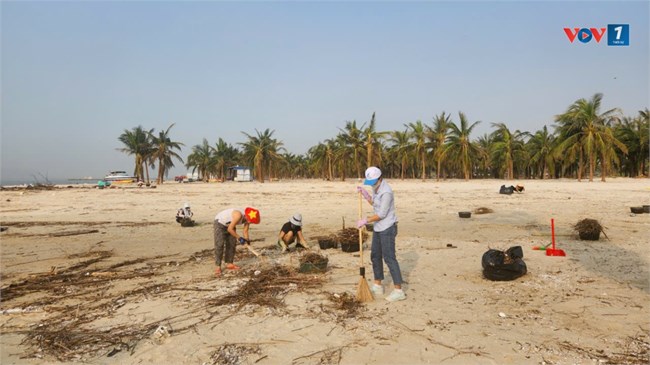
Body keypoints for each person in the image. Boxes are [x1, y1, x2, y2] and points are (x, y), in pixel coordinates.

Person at [356, 167, 406, 302]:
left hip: (388, 228)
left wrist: (366, 220)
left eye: (373, 181)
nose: (371, 184)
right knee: (375, 255)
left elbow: (382, 214)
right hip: (378, 228)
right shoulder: (376, 188)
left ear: (379, 178)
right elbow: (374, 203)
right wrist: (366, 195)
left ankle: (398, 290)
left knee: (389, 258)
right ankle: (378, 285)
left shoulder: (386, 192)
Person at [213, 207, 260, 276]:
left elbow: (245, 231)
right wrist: (240, 238)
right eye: (250, 220)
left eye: (251, 221)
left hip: (230, 224)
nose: (250, 222)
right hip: (220, 223)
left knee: (232, 243)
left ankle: (229, 263)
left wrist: (247, 240)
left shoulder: (248, 220)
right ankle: (218, 266)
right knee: (219, 244)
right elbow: (230, 229)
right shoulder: (238, 215)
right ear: (246, 216)